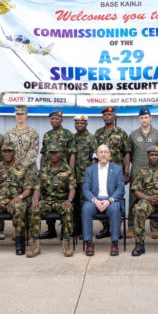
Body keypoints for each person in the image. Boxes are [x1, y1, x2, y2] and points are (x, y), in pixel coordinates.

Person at [28, 143, 76, 258]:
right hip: (47, 201)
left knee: (67, 210)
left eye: (56, 153)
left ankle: (66, 243)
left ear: (60, 154)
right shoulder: (44, 170)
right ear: (49, 154)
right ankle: (35, 245)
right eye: (51, 153)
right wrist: (35, 201)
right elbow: (37, 188)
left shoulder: (67, 169)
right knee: (35, 210)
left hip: (62, 201)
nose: (53, 155)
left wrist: (69, 200)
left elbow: (72, 188)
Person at [129, 108, 158, 239]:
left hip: (153, 171)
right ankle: (131, 227)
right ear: (139, 119)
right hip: (137, 170)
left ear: (151, 118)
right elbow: (129, 152)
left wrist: (157, 163)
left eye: (146, 117)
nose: (144, 120)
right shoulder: (133, 134)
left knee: (155, 195)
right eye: (141, 118)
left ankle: (155, 228)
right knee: (134, 198)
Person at [37, 110, 76, 240]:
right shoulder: (47, 135)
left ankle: (65, 231)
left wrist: (69, 171)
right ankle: (51, 229)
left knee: (63, 199)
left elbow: (72, 154)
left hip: (63, 172)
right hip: (48, 172)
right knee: (47, 196)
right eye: (52, 119)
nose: (54, 121)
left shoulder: (68, 134)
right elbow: (43, 154)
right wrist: (42, 170)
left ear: (61, 120)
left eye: (57, 119)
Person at [94, 107, 131, 238]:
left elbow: (127, 152)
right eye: (105, 115)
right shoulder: (98, 133)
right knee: (101, 196)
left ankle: (116, 228)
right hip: (102, 172)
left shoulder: (121, 132)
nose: (107, 117)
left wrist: (126, 171)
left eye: (110, 114)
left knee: (117, 199)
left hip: (117, 173)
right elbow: (94, 154)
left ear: (114, 116)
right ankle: (106, 228)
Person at [81, 144, 125, 256]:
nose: (103, 154)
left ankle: (114, 243)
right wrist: (95, 200)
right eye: (101, 152)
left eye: (106, 152)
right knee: (86, 208)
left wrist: (109, 201)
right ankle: (89, 243)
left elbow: (120, 189)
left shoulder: (117, 169)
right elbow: (85, 189)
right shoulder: (90, 170)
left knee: (115, 209)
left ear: (109, 155)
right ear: (97, 155)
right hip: (94, 200)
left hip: (111, 201)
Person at [71, 114, 97, 239]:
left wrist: (91, 175)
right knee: (74, 205)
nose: (79, 125)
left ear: (86, 124)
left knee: (84, 205)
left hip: (84, 177)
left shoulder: (91, 138)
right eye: (77, 123)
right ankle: (76, 228)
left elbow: (94, 158)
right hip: (73, 177)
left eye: (82, 123)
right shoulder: (72, 138)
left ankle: (85, 230)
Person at [3, 105, 40, 172]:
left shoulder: (32, 132)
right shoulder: (9, 133)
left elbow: (33, 151)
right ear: (15, 115)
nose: (20, 116)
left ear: (26, 115)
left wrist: (23, 166)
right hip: (13, 169)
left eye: (22, 114)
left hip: (29, 170)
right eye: (18, 114)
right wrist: (15, 167)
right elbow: (6, 151)